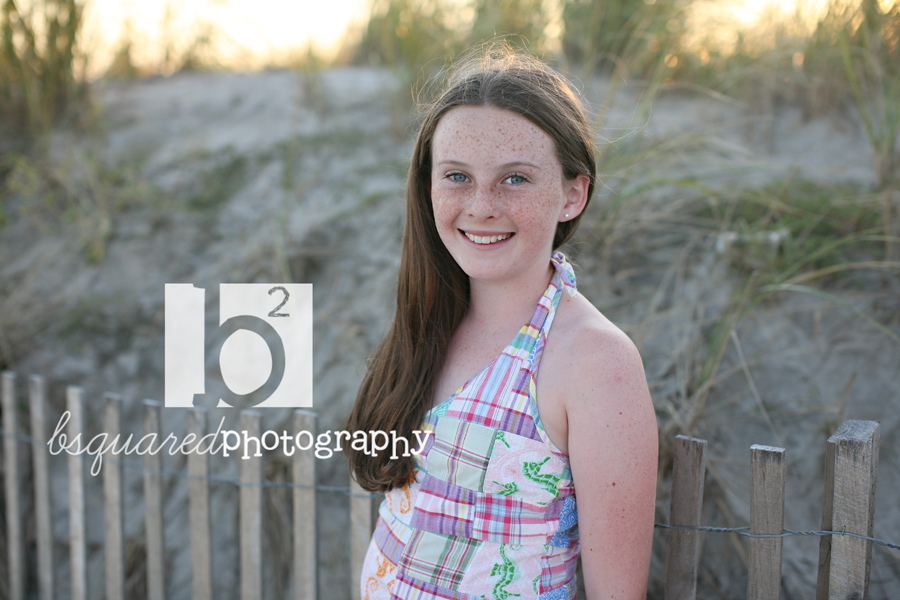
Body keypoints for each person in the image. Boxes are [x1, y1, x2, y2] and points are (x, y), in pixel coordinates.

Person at [345, 44, 658, 600]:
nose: (481, 205)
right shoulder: (430, 321)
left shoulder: (594, 361)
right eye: (457, 176)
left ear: (572, 194)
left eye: (514, 179)